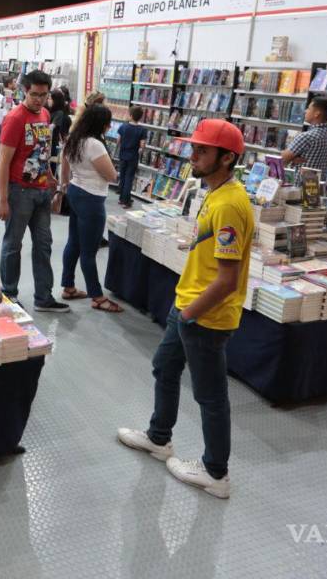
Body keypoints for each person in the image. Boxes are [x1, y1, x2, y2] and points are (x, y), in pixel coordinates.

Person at [117, 118, 253, 500]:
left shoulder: (229, 204)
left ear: (227, 158)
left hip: (205, 316)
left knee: (210, 395)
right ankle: (159, 438)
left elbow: (227, 279)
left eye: (202, 150)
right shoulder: (214, 192)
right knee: (164, 367)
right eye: (193, 148)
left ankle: (216, 473)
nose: (192, 156)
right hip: (189, 305)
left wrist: (191, 314)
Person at [0, 70, 68, 312]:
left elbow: (42, 149)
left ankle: (43, 297)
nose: (38, 99)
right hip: (20, 192)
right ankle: (9, 294)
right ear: (25, 91)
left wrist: (50, 176)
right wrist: (3, 199)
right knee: (13, 245)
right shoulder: (15, 118)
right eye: (34, 94)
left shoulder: (45, 114)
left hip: (42, 191)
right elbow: (3, 161)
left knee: (44, 244)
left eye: (43, 95)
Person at [58, 104, 121, 312]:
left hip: (75, 190)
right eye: (108, 123)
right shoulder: (94, 145)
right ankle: (97, 297)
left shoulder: (74, 139)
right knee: (89, 251)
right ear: (101, 124)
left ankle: (68, 286)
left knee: (74, 243)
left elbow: (64, 165)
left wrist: (64, 184)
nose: (109, 127)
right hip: (91, 198)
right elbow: (111, 175)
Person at [282, 98, 327, 176]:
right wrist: (293, 158)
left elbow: (282, 159)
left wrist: (291, 158)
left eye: (308, 108)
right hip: (316, 182)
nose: (305, 111)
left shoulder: (306, 137)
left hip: (298, 182)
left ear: (317, 114)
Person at [116, 106, 149, 207]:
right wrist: (140, 150)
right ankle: (126, 201)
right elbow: (142, 145)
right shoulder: (142, 130)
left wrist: (122, 146)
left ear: (130, 115)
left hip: (123, 155)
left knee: (122, 176)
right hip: (133, 156)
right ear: (140, 117)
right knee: (129, 178)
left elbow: (118, 141)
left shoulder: (123, 126)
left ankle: (121, 198)